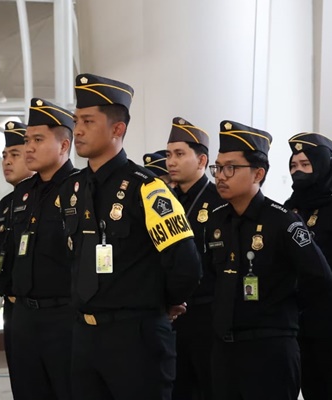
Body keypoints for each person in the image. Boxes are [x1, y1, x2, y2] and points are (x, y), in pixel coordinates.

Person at [59, 73, 201, 399]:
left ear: (117, 129)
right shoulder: (74, 189)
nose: (77, 129)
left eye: (88, 121)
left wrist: (158, 304)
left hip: (135, 337)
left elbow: (185, 264)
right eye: (77, 120)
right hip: (84, 337)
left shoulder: (147, 188)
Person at [204, 121, 332, 400]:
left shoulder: (282, 220)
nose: (220, 176)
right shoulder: (216, 220)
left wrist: (283, 307)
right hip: (224, 351)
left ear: (258, 173)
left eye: (231, 167)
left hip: (270, 349)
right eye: (217, 167)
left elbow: (321, 279)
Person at [283, 132, 332, 400]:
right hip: (301, 322)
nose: (298, 172)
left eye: (306, 165)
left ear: (324, 165)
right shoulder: (288, 210)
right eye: (294, 166)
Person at [8, 97, 77, 399]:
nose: (28, 148)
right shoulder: (23, 193)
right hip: (24, 318)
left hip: (65, 319)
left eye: (38, 139)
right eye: (27, 140)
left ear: (64, 146)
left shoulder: (81, 188)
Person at [164, 116, 223, 400]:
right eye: (168, 154)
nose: (171, 161)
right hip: (171, 317)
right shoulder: (165, 201)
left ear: (201, 161)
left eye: (179, 154)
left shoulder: (218, 201)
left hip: (206, 315)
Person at [0, 120, 34, 377]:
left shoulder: (47, 198)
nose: (7, 161)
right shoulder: (4, 206)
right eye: (5, 155)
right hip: (12, 309)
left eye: (15, 155)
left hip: (41, 308)